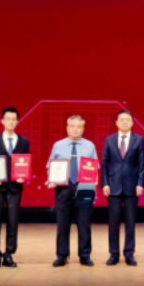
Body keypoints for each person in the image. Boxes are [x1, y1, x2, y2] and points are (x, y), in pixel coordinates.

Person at [47, 115, 98, 268]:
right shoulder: (58, 145)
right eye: (72, 126)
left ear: (83, 129)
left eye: (78, 126)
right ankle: (62, 255)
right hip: (64, 187)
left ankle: (85, 255)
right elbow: (50, 166)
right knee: (63, 224)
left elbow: (94, 167)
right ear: (67, 128)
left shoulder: (90, 145)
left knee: (84, 223)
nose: (75, 129)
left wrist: (94, 180)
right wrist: (51, 179)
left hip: (84, 187)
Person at [0, 107, 31, 269]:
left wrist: (23, 177)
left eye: (14, 119)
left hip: (15, 188)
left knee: (13, 222)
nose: (11, 121)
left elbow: (25, 163)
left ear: (17, 121)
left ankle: (8, 254)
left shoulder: (24, 141)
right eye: (8, 119)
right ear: (2, 121)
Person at [101, 110, 144, 267]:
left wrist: (140, 183)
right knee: (113, 222)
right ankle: (113, 254)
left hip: (131, 186)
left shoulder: (138, 139)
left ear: (132, 123)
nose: (125, 122)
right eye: (122, 119)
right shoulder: (109, 139)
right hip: (113, 185)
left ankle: (129, 254)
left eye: (128, 119)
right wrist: (105, 183)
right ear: (116, 123)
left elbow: (142, 163)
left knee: (130, 222)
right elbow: (104, 163)